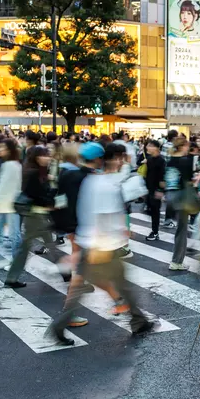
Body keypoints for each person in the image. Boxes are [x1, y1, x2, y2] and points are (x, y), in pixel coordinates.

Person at [50, 143, 156, 345]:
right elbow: (104, 216)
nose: (121, 162)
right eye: (119, 159)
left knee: (91, 285)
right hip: (101, 246)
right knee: (119, 284)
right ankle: (138, 320)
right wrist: (116, 237)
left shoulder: (90, 180)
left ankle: (138, 320)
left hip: (89, 240)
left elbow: (83, 211)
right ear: (106, 159)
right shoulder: (103, 184)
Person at [5, 146, 66, 288]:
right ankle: (66, 272)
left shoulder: (36, 170)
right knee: (48, 246)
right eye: (44, 155)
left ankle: (12, 277)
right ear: (37, 157)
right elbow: (36, 195)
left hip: (35, 214)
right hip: (36, 215)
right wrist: (52, 199)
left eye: (48, 155)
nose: (48, 158)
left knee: (29, 248)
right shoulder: (33, 173)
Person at [0, 139, 23, 257]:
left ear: (8, 150)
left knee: (14, 235)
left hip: (11, 204)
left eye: (2, 147)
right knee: (12, 234)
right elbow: (0, 185)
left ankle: (17, 262)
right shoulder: (10, 164)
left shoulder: (11, 165)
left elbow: (3, 186)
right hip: (9, 203)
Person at [167, 137, 196, 270]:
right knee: (181, 230)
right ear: (183, 146)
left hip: (171, 195)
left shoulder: (170, 160)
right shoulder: (186, 161)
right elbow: (189, 181)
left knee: (180, 229)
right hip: (182, 197)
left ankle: (176, 260)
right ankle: (177, 261)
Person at [143, 140, 166, 241]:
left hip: (156, 189)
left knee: (155, 211)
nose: (147, 148)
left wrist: (160, 190)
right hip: (149, 188)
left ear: (156, 148)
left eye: (149, 146)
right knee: (151, 210)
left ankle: (155, 232)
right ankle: (154, 230)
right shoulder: (149, 159)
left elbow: (162, 176)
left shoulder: (161, 160)